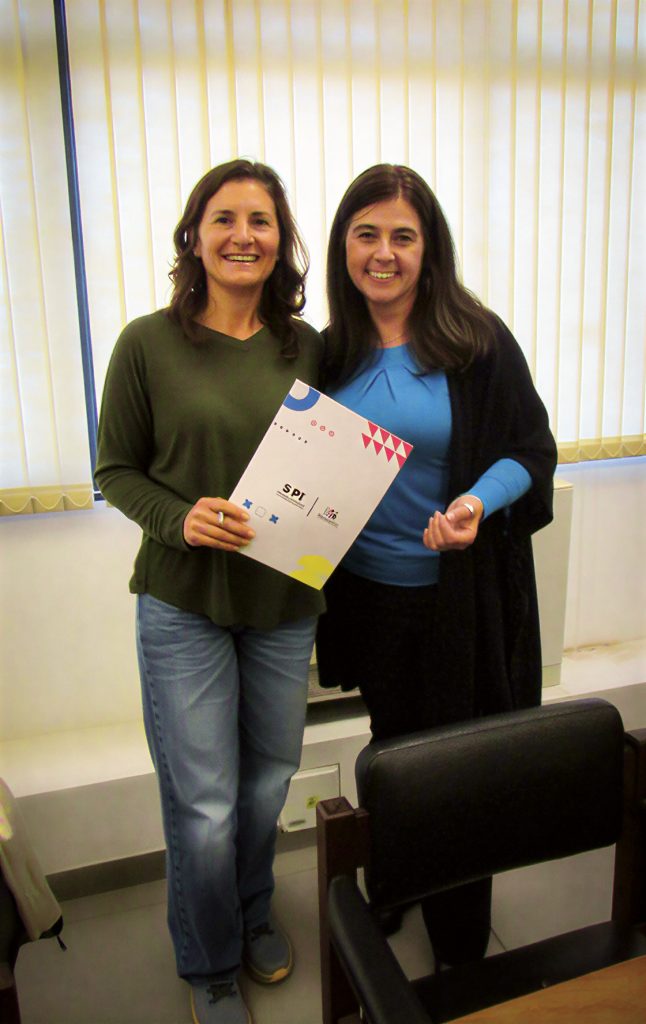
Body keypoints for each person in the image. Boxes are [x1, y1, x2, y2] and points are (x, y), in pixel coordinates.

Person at [95, 159, 324, 1024]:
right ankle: (210, 960)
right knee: (205, 806)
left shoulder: (308, 347)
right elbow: (115, 470)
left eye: (261, 220)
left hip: (282, 606)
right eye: (224, 218)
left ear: (280, 240)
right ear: (194, 235)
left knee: (267, 785)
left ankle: (254, 911)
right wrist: (180, 518)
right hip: (183, 602)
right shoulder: (146, 344)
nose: (242, 235)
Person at [315, 164, 557, 967]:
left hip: (458, 596)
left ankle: (459, 930)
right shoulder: (329, 352)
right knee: (392, 749)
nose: (383, 252)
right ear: (344, 245)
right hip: (369, 596)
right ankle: (398, 880)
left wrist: (476, 504)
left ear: (430, 249)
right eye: (366, 234)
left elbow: (531, 449)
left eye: (403, 236)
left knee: (460, 761)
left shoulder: (474, 340)